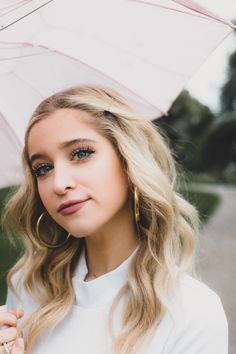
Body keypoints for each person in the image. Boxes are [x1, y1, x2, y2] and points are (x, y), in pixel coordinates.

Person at [1, 85, 228, 354]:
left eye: (81, 153)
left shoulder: (193, 313)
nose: (58, 183)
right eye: (43, 168)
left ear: (127, 158)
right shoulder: (28, 286)